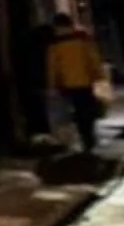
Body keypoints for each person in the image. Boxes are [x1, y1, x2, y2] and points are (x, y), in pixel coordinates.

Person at [45, 12, 107, 151]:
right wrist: (98, 76)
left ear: (57, 26)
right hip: (85, 81)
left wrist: (52, 84)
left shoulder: (55, 43)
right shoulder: (82, 38)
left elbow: (52, 66)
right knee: (87, 111)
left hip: (66, 84)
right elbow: (93, 58)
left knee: (75, 112)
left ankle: (80, 138)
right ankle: (89, 138)